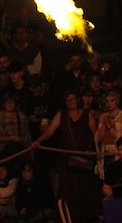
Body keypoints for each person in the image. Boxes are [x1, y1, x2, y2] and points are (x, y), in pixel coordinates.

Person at [32, 90, 101, 223]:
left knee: (86, 190)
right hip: (68, 160)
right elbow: (50, 130)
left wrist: (96, 154)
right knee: (69, 192)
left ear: (78, 100)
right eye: (67, 100)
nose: (70, 102)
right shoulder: (61, 115)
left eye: (72, 99)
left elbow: (95, 135)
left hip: (85, 159)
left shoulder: (87, 115)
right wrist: (38, 141)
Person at [95, 90, 122, 179]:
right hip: (105, 152)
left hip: (116, 152)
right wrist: (103, 123)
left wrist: (108, 124)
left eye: (112, 100)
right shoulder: (103, 116)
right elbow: (100, 138)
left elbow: (119, 137)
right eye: (107, 101)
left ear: (117, 101)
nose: (109, 103)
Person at [0, 93, 31, 163]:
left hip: (22, 149)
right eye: (7, 103)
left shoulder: (22, 116)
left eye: (12, 102)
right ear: (3, 104)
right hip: (6, 150)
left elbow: (27, 135)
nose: (10, 105)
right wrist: (12, 138)